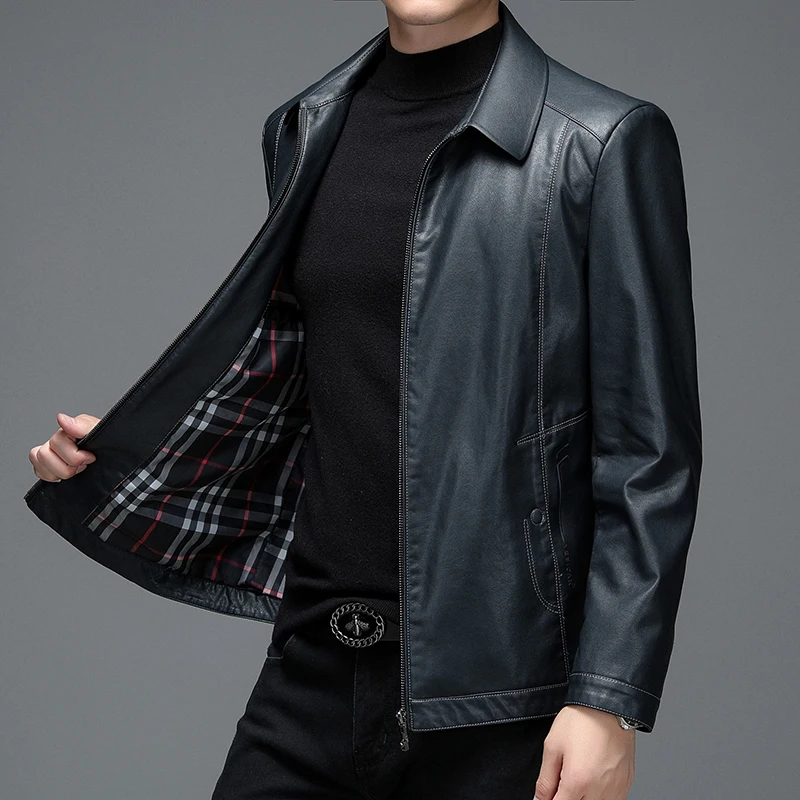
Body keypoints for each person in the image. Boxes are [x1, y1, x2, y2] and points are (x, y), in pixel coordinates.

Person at [26, 1, 702, 798]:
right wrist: (137, 449)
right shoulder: (306, 125)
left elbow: (648, 455)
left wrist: (607, 698)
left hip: (501, 701)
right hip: (312, 667)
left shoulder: (600, 141)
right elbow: (314, 378)